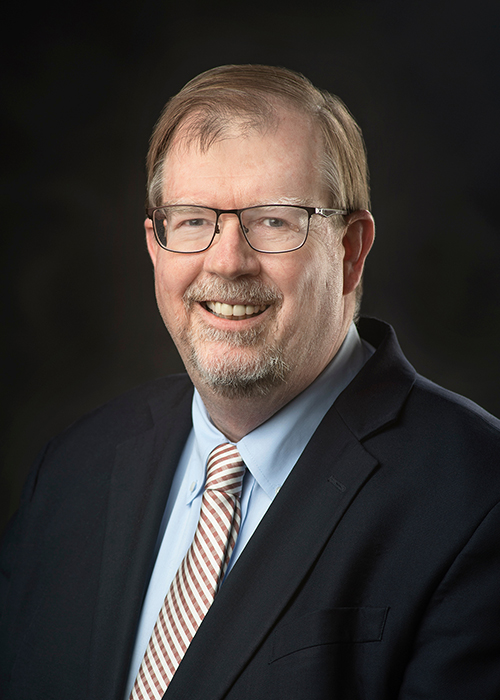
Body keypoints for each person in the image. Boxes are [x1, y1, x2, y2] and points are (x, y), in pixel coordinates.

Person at [1, 64, 499, 700]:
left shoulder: (478, 498)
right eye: (191, 220)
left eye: (273, 220)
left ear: (350, 250)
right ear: (154, 246)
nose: (228, 261)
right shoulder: (72, 471)